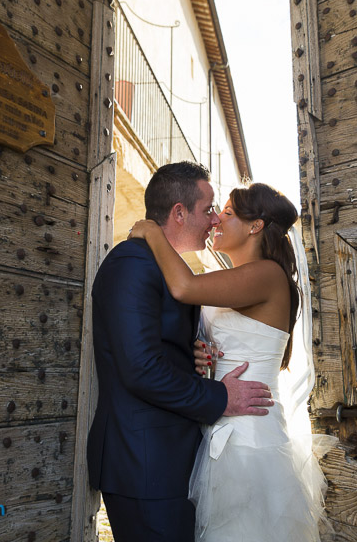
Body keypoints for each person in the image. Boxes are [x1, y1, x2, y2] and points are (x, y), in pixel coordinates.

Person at [129, 182, 329, 542]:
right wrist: (200, 350)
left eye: (229, 213)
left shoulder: (268, 274)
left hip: (249, 441)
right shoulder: (235, 279)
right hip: (220, 428)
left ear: (255, 226)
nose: (217, 219)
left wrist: (151, 232)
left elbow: (184, 288)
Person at [87, 162, 274, 542]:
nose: (213, 222)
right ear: (178, 212)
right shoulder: (131, 263)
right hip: (144, 464)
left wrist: (192, 354)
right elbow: (140, 368)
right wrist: (221, 396)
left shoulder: (165, 268)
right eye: (208, 210)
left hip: (171, 461)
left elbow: (161, 350)